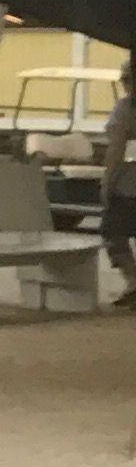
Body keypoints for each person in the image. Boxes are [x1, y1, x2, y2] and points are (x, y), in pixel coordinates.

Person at [100, 74, 134, 300]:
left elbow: (116, 147)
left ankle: (132, 279)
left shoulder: (125, 108)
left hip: (129, 185)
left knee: (112, 230)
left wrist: (107, 182)